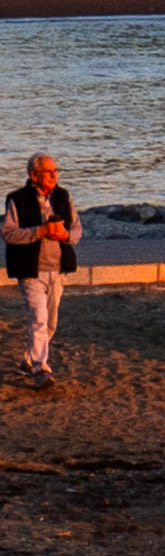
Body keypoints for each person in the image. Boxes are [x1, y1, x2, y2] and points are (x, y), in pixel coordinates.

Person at [7, 154, 71, 389]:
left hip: (57, 269)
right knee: (39, 318)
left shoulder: (63, 196)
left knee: (50, 322)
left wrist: (65, 235)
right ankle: (39, 368)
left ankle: (28, 360)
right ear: (34, 176)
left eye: (56, 171)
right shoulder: (17, 199)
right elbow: (9, 234)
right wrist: (41, 231)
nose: (54, 175)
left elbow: (76, 229)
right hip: (31, 270)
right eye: (48, 172)